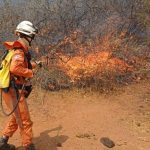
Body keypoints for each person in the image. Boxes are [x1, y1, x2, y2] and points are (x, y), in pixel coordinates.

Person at [0, 21, 38, 150]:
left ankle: (3, 141)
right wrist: (30, 73)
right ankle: (28, 146)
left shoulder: (15, 49)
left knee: (17, 117)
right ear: (27, 35)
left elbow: (20, 65)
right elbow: (16, 68)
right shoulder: (19, 51)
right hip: (13, 90)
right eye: (31, 37)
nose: (32, 39)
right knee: (24, 119)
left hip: (8, 89)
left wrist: (35, 64)